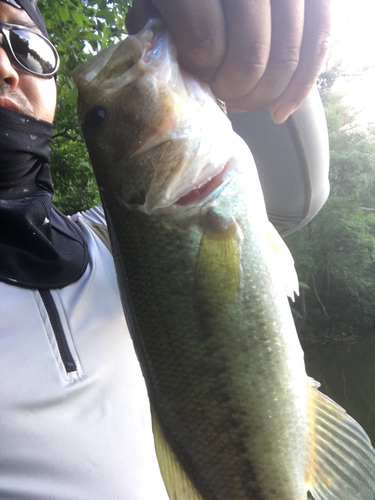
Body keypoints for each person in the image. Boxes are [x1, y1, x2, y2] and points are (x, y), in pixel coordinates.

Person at [0, 0, 331, 498]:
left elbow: (301, 195)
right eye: (100, 117)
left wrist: (257, 71)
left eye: (23, 45)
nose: (4, 66)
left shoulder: (112, 239)